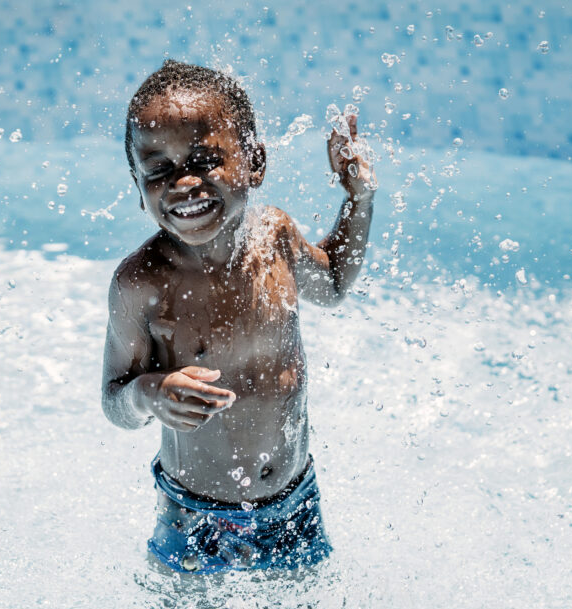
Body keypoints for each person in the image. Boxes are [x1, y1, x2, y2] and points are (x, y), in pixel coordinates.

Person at [101, 60, 375, 574]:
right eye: (157, 170)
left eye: (204, 159)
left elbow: (335, 284)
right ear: (139, 187)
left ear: (254, 162)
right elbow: (115, 399)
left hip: (294, 500)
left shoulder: (275, 239)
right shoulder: (143, 285)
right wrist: (151, 393)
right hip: (195, 514)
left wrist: (358, 199)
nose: (183, 182)